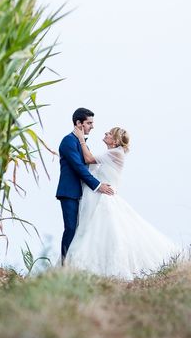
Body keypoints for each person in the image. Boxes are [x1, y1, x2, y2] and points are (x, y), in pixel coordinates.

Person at [65, 126, 179, 279]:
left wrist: (80, 140)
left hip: (105, 198)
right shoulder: (111, 153)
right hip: (99, 196)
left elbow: (89, 159)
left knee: (105, 231)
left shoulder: (115, 153)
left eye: (109, 133)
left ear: (116, 140)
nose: (105, 133)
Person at [56, 108, 115, 264]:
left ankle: (74, 265)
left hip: (80, 193)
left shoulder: (80, 143)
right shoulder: (68, 141)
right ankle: (64, 265)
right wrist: (98, 186)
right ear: (78, 123)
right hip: (69, 192)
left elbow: (88, 163)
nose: (92, 126)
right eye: (89, 123)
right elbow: (78, 167)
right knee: (70, 229)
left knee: (80, 230)